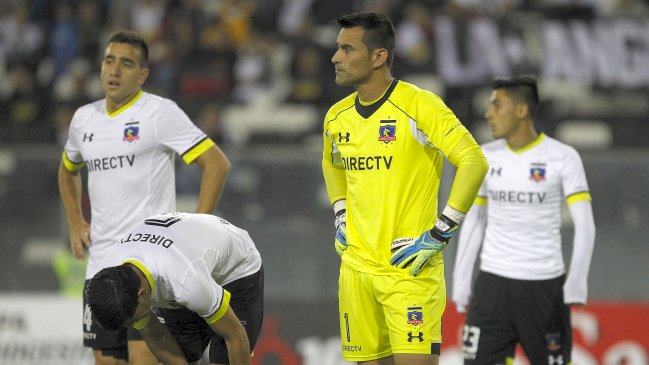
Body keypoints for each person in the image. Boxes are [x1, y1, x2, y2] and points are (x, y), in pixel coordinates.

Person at [321, 12, 489, 365]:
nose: (336, 58)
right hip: (356, 269)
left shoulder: (419, 105)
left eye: (347, 49)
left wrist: (441, 231)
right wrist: (340, 213)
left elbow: (474, 161)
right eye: (338, 49)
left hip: (409, 268)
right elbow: (331, 163)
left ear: (379, 56)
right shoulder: (337, 117)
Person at [58, 30, 231, 365]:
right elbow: (67, 171)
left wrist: (196, 230)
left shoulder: (159, 113)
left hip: (147, 270)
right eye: (109, 61)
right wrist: (74, 219)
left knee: (144, 358)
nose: (115, 70)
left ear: (143, 74)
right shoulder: (84, 119)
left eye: (126, 63)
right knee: (106, 361)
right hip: (100, 270)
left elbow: (217, 165)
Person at [451, 75, 596, 365]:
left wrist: (577, 282)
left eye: (497, 105)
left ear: (521, 111)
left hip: (543, 287)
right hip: (492, 286)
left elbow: (585, 226)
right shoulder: (484, 157)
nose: (488, 113)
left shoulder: (563, 157)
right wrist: (461, 280)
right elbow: (475, 219)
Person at [85, 212, 264, 365]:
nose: (134, 325)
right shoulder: (111, 278)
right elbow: (158, 337)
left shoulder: (186, 281)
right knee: (183, 356)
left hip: (236, 270)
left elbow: (234, 337)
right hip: (185, 256)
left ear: (142, 294)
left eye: (133, 320)